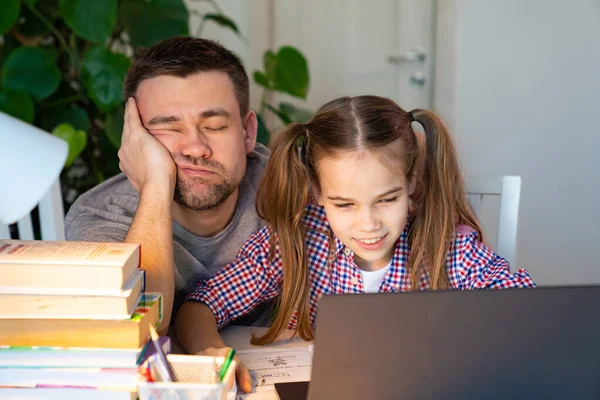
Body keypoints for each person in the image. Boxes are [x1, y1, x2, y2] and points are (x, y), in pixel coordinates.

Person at [176, 95, 536, 392]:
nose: (368, 224)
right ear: (317, 191)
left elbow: (525, 310)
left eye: (386, 199)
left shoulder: (447, 246)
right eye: (344, 204)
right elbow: (201, 305)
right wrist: (213, 351)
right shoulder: (299, 240)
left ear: (411, 182)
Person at [64, 37, 271, 334]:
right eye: (169, 128)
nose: (196, 148)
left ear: (247, 133)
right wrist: (157, 183)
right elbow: (136, 328)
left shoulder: (294, 188)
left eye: (215, 126)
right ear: (134, 138)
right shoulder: (100, 217)